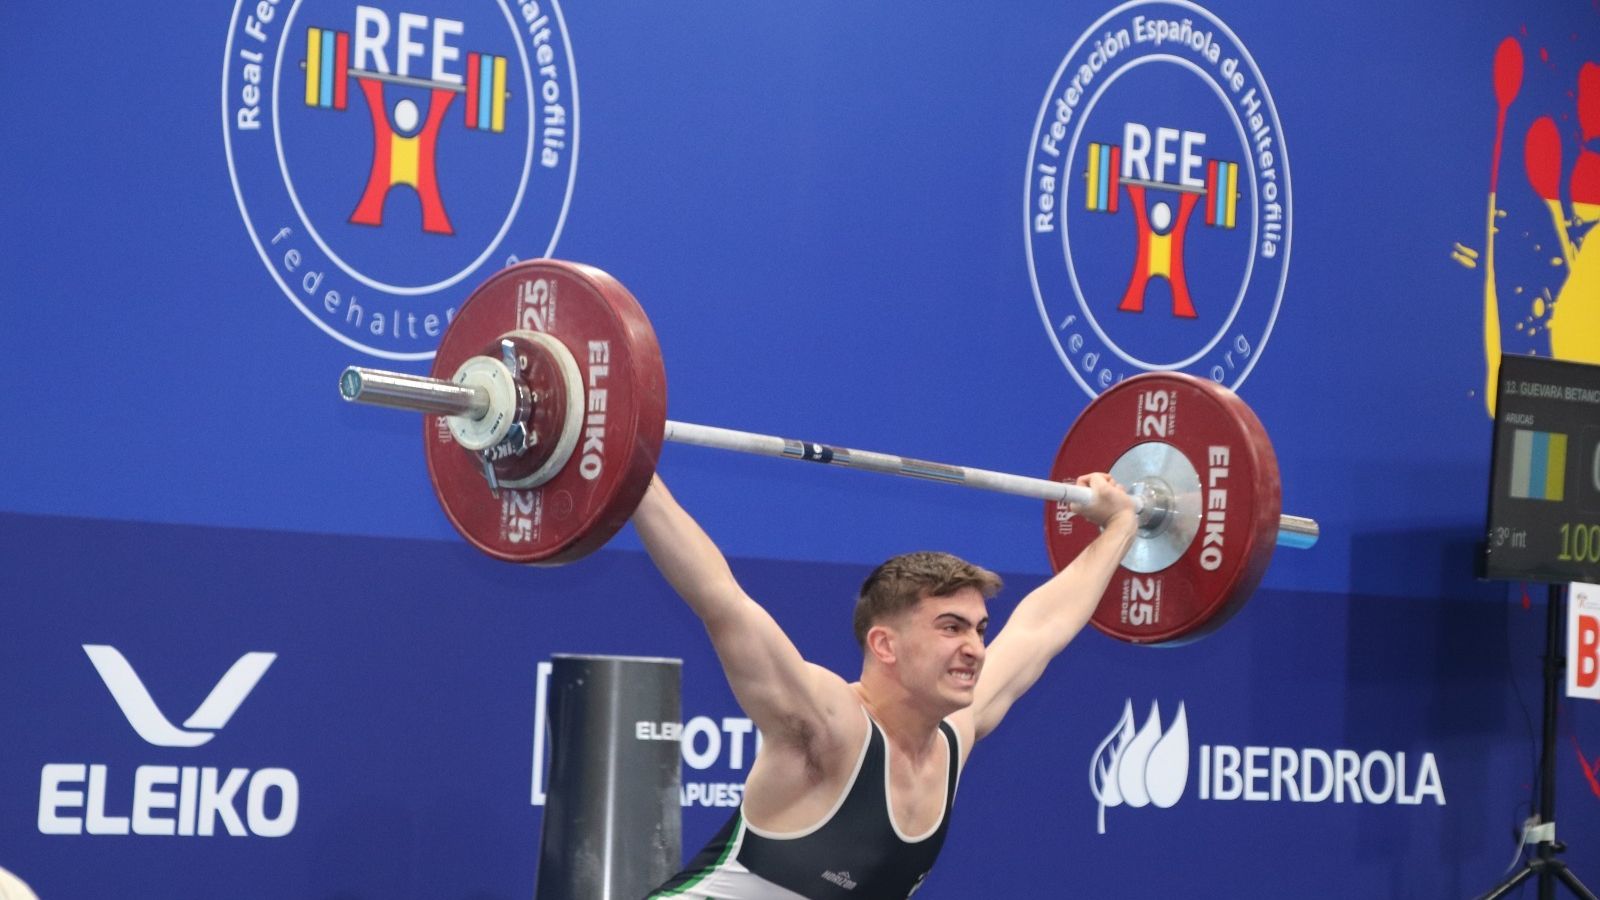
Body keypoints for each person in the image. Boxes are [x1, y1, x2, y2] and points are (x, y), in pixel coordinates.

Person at [635, 471, 1138, 899]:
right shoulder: (830, 725)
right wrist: (628, 462)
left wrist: (1120, 527)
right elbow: (721, 600)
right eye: (950, 627)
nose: (975, 648)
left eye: (979, 629)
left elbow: (1040, 629)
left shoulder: (953, 737)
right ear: (885, 645)